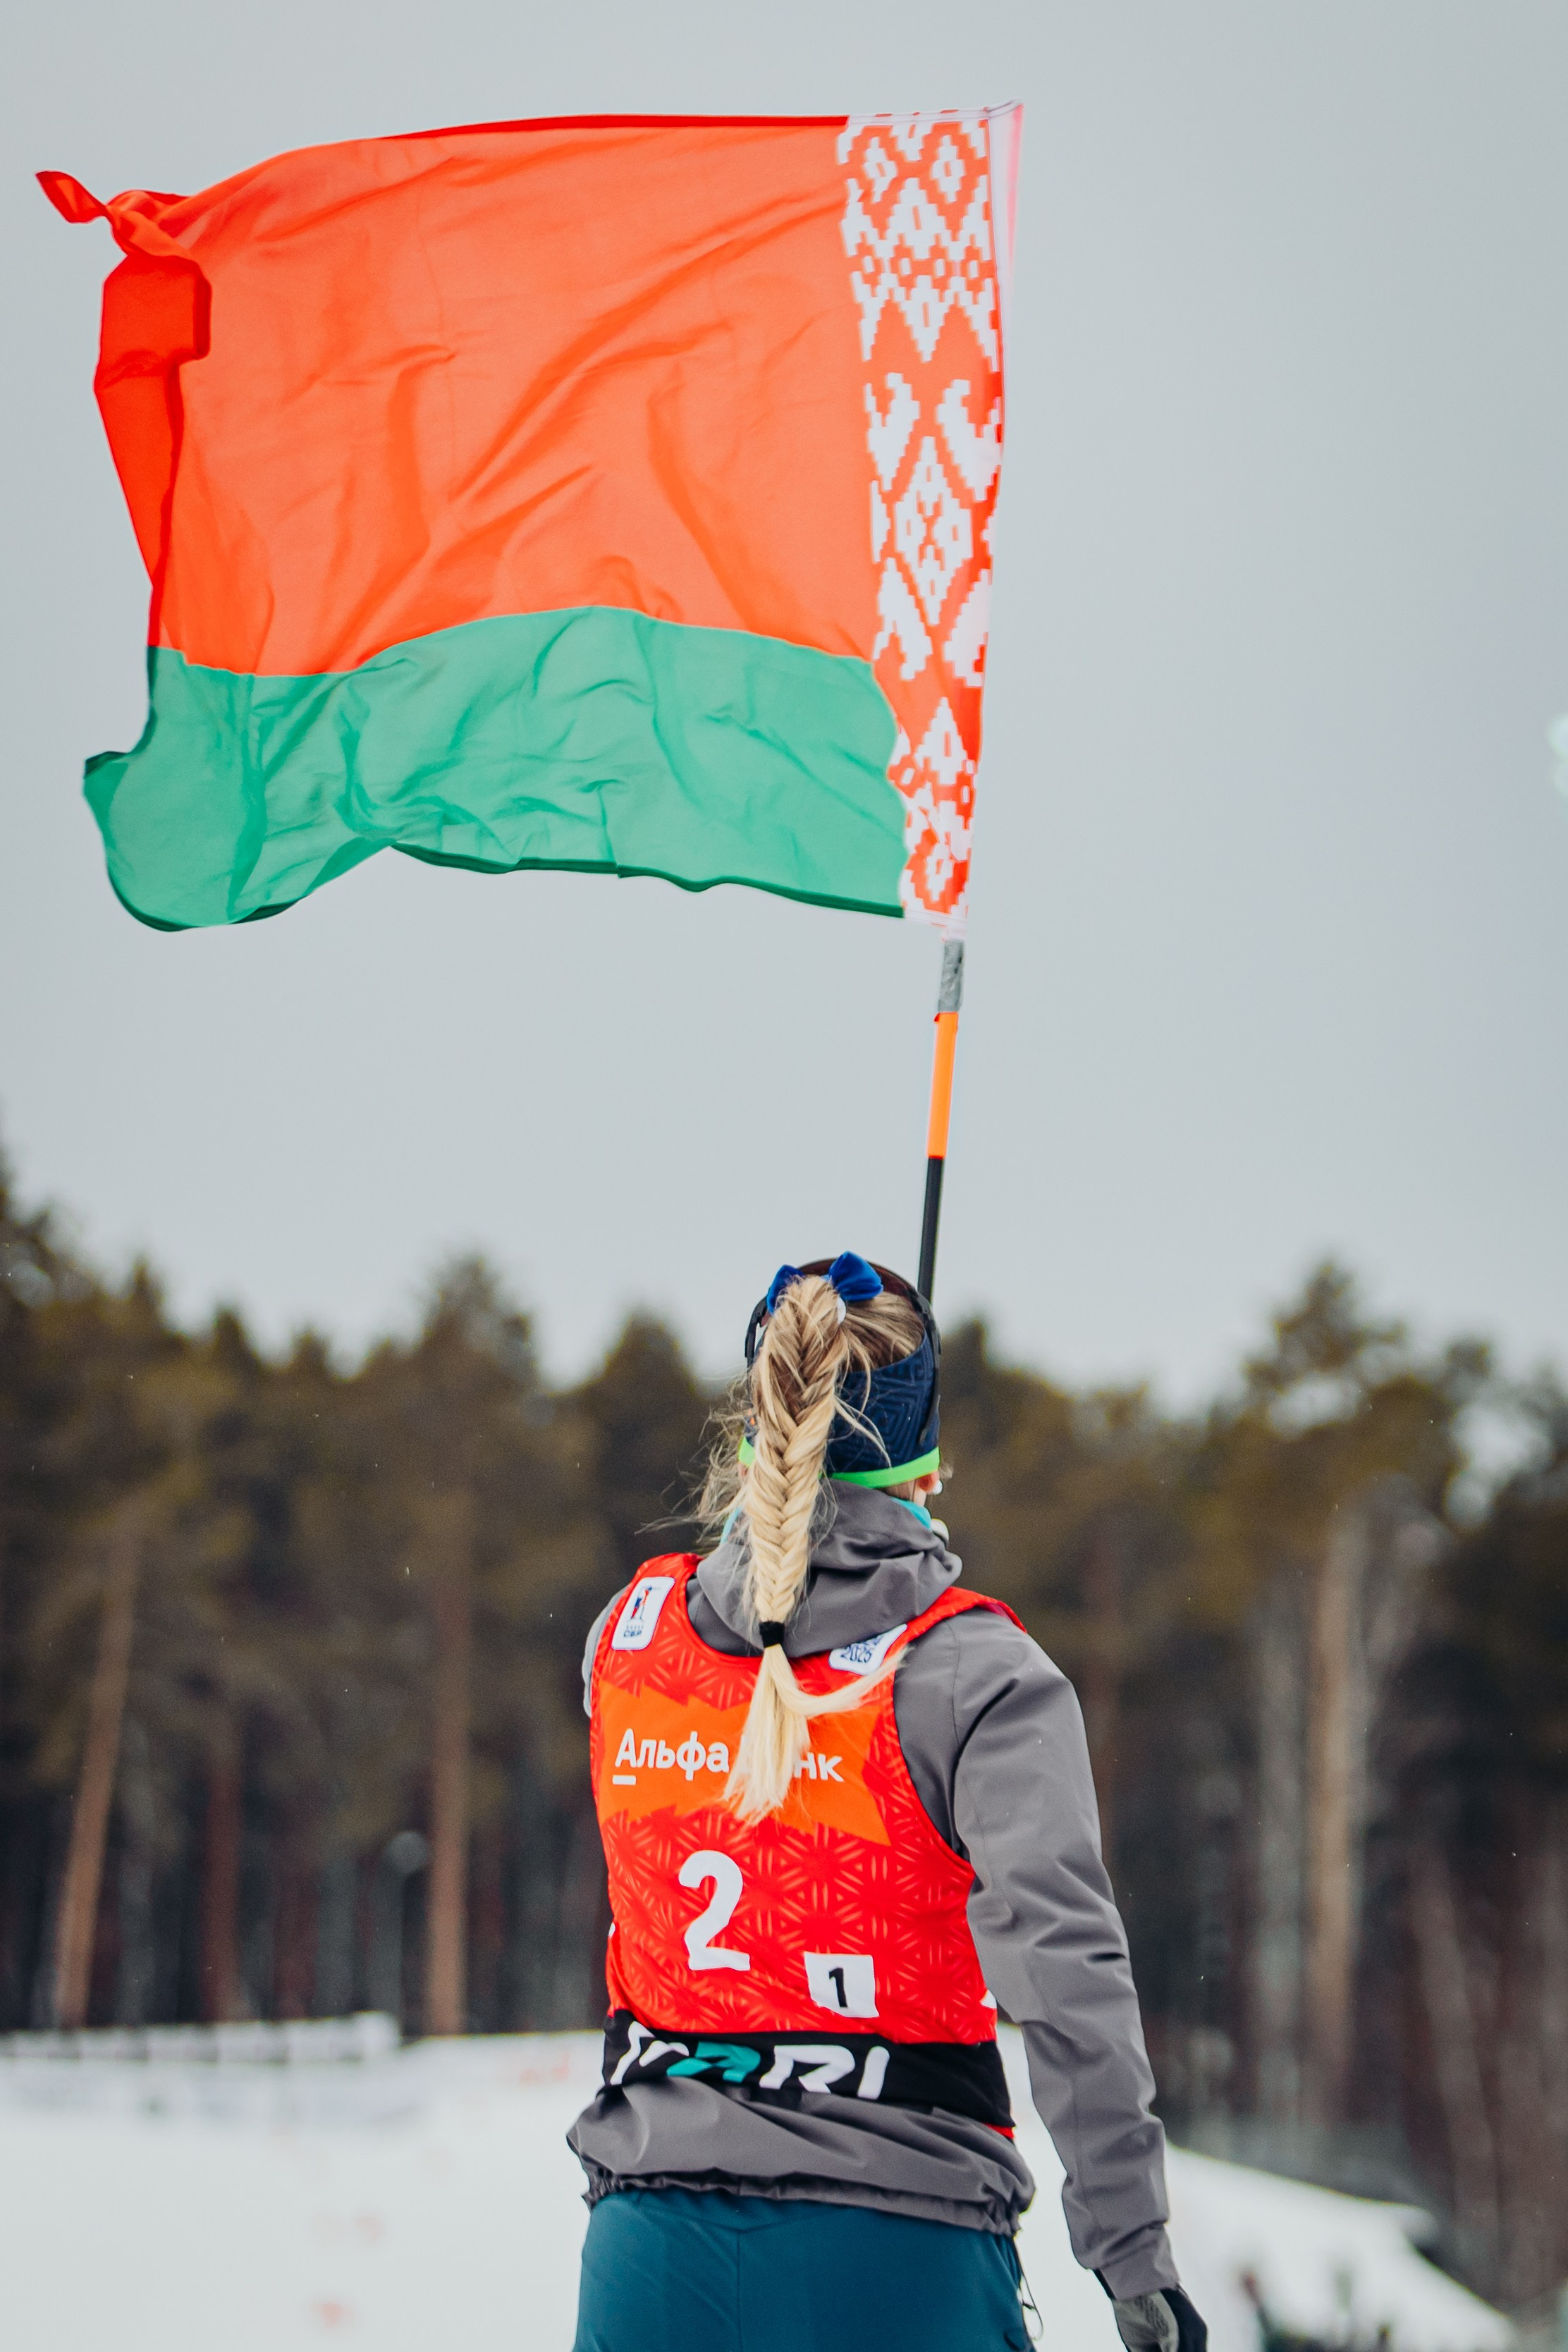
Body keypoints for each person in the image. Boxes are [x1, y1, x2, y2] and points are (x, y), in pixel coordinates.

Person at [569, 1254, 1206, 2352]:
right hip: (898, 2250)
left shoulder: (624, 1638)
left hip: (650, 2261)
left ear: (756, 1425)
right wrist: (1133, 2255)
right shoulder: (975, 1672)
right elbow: (1066, 1974)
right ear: (928, 1462)